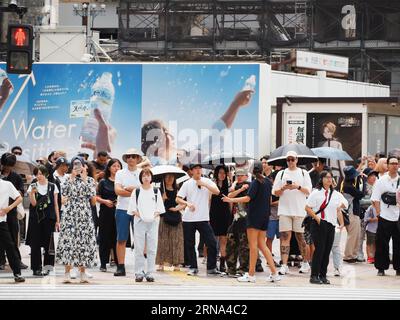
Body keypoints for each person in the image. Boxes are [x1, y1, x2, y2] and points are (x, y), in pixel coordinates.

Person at [141, 89, 254, 166]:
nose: (171, 135)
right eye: (166, 131)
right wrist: (235, 104)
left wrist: (236, 104)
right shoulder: (151, 167)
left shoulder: (189, 154)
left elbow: (215, 134)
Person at [223, 161, 281, 283]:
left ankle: (251, 274)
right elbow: (269, 199)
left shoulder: (256, 183)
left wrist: (230, 199)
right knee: (262, 245)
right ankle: (274, 273)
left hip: (254, 217)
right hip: (265, 217)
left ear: (251, 171)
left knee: (253, 246)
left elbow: (247, 198)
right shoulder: (268, 183)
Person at [56, 156, 97, 283]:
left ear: (84, 166)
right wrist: (72, 178)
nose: (77, 167)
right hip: (70, 213)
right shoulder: (67, 179)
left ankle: (83, 272)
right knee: (69, 241)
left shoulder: (89, 180)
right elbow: (65, 193)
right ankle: (67, 273)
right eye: (75, 164)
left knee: (84, 242)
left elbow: (92, 197)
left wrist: (84, 178)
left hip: (84, 213)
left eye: (80, 164)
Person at [176, 163, 222, 276]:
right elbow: (178, 198)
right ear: (191, 171)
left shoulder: (207, 181)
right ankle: (193, 267)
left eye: (199, 168)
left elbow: (217, 191)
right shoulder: (187, 184)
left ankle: (211, 268)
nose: (198, 170)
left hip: (203, 218)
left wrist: (204, 184)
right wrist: (187, 203)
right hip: (188, 218)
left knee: (211, 242)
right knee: (190, 244)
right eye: (195, 169)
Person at [272, 151, 313, 275]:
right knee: (285, 237)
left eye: (292, 159)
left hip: (300, 210)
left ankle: (306, 262)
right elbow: (275, 192)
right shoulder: (281, 173)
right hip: (284, 210)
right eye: (288, 159)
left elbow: (308, 191)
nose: (290, 162)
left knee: (301, 237)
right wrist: (283, 188)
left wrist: (297, 187)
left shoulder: (303, 173)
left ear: (297, 160)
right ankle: (284, 264)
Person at [305, 171, 346, 284]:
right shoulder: (316, 192)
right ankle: (314, 276)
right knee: (319, 250)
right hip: (318, 223)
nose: (329, 179)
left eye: (330, 177)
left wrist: (340, 206)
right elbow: (307, 208)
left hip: (331, 225)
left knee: (327, 250)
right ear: (321, 179)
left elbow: (345, 203)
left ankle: (323, 275)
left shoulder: (336, 194)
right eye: (326, 177)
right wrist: (317, 219)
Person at [128, 168, 165, 282]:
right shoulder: (137, 191)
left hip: (153, 223)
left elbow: (159, 209)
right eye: (143, 175)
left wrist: (152, 216)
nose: (146, 177)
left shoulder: (155, 191)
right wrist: (141, 216)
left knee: (152, 248)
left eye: (148, 175)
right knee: (139, 247)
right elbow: (132, 209)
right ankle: (138, 273)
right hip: (139, 222)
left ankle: (150, 272)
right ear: (141, 178)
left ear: (151, 177)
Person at [26, 166, 60, 276]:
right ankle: (36, 268)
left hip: (49, 219)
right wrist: (32, 193)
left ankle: (48, 267)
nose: (38, 176)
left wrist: (58, 220)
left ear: (46, 174)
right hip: (36, 219)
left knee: (49, 244)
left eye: (40, 173)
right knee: (35, 244)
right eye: (37, 174)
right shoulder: (32, 186)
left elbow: (56, 204)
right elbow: (34, 204)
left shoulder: (52, 186)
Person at [114, 148, 143, 277]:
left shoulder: (142, 172)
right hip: (122, 209)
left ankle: (140, 267)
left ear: (137, 159)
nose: (131, 158)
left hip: (138, 210)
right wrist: (135, 191)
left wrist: (131, 189)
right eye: (128, 156)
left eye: (133, 156)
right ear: (126, 159)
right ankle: (121, 266)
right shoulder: (120, 173)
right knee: (121, 239)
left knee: (139, 239)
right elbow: (118, 191)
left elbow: (146, 190)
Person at [371, 156, 400, 276]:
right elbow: (375, 199)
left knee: (399, 243)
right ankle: (381, 268)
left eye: (396, 163)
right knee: (382, 243)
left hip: (398, 215)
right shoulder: (381, 180)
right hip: (384, 215)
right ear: (387, 165)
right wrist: (378, 213)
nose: (394, 165)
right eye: (392, 163)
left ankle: (398, 268)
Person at [0, 152, 27, 271]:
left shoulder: (16, 177)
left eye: (10, 166)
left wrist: (12, 191)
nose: (8, 168)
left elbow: (21, 192)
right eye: (6, 165)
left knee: (13, 237)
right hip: (0, 211)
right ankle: (1, 261)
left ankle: (17, 261)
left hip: (11, 211)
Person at [96, 158, 122, 272]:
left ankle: (118, 262)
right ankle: (103, 263)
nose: (116, 168)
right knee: (104, 237)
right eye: (114, 166)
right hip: (105, 213)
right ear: (109, 168)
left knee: (117, 237)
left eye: (118, 166)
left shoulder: (122, 182)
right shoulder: (103, 182)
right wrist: (105, 201)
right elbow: (96, 197)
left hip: (119, 212)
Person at [156, 173, 185, 271]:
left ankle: (177, 264)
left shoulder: (178, 190)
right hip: (164, 217)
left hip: (176, 217)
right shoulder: (160, 191)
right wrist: (162, 200)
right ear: (163, 179)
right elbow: (156, 206)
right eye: (167, 177)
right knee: (163, 240)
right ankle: (161, 263)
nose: (170, 179)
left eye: (172, 177)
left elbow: (185, 203)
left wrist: (177, 209)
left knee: (177, 241)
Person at [225, 168, 251, 277]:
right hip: (235, 220)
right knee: (231, 243)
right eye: (237, 175)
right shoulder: (236, 187)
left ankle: (244, 268)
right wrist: (239, 189)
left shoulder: (250, 185)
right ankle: (231, 267)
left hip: (245, 220)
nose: (239, 177)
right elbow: (229, 196)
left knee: (244, 245)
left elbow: (247, 199)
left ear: (246, 176)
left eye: (241, 175)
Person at [0, 178, 24, 282]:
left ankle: (17, 273)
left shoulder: (7, 184)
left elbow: (19, 198)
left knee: (10, 246)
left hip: (1, 220)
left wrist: (8, 208)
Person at [209, 165, 232, 273]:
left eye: (224, 173)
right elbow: (209, 201)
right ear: (216, 174)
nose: (222, 175)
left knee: (224, 240)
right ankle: (212, 263)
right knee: (213, 240)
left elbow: (230, 201)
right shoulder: (212, 185)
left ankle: (223, 264)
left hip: (225, 214)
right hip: (213, 214)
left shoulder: (229, 185)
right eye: (220, 173)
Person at [341, 166, 366, 263]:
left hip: (353, 212)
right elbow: (361, 194)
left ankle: (353, 255)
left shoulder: (347, 183)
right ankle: (348, 256)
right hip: (350, 213)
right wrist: (363, 180)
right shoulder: (348, 186)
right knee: (352, 235)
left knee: (357, 234)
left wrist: (360, 178)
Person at [357, 168, 378, 262]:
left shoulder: (377, 186)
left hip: (375, 214)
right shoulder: (362, 186)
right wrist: (372, 201)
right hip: (363, 214)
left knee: (373, 236)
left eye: (374, 175)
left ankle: (374, 255)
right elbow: (359, 200)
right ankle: (359, 253)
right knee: (361, 235)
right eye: (371, 175)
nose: (373, 177)